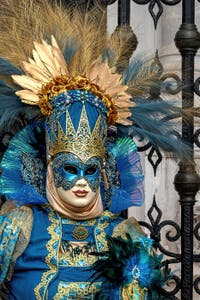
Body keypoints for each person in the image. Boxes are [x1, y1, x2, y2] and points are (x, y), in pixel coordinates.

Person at [0, 1, 185, 299]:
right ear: (49, 169)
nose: (82, 182)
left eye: (91, 170)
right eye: (70, 169)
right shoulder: (18, 227)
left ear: (105, 170)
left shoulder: (125, 235)